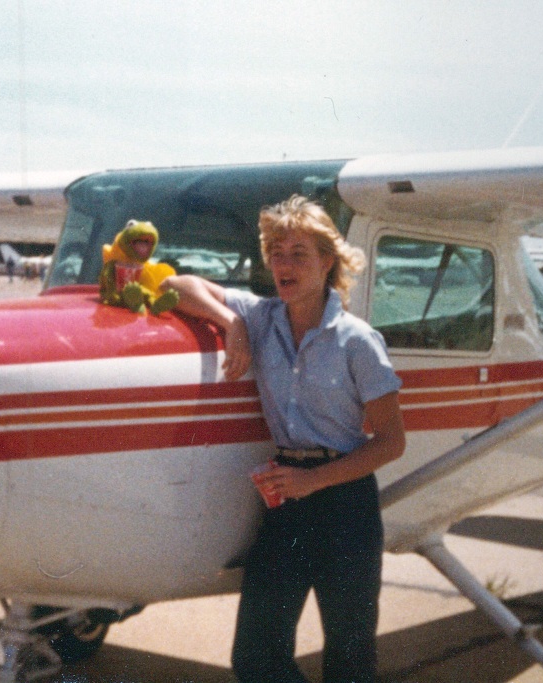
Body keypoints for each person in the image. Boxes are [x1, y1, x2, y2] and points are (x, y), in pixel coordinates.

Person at [163, 195, 405, 683]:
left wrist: (313, 482)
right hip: (287, 503)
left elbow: (390, 443)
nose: (284, 265)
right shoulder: (259, 317)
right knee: (255, 655)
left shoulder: (357, 341)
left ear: (327, 261)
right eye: (276, 253)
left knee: (349, 661)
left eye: (299, 253)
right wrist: (231, 323)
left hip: (345, 503)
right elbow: (174, 284)